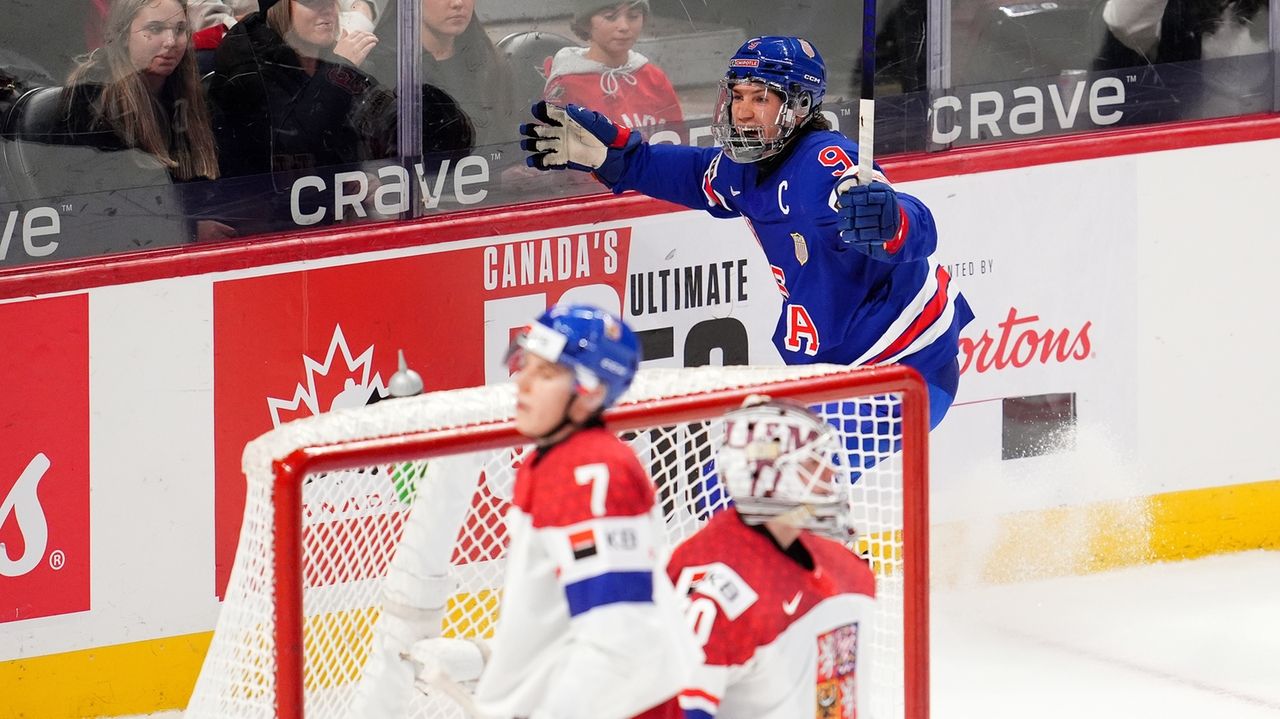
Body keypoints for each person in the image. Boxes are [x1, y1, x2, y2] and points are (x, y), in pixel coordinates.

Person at [521, 36, 973, 432]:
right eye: (738, 96)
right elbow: (694, 173)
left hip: (903, 370)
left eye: (761, 99)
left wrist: (889, 222)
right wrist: (618, 158)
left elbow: (917, 226)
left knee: (784, 486)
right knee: (737, 488)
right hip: (838, 375)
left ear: (798, 107)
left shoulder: (824, 162)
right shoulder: (746, 167)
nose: (743, 111)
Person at [470, 303, 699, 719]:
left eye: (546, 374)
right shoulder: (559, 459)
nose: (523, 384)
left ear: (589, 391)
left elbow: (619, 637)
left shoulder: (587, 471)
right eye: (526, 366)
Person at [667, 397, 877, 718]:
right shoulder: (711, 581)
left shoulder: (849, 572)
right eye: (813, 461)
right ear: (772, 475)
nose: (831, 471)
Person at [53, 0, 234, 242]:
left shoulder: (191, 93)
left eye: (180, 30)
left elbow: (210, 186)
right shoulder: (90, 99)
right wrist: (186, 231)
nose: (171, 42)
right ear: (123, 34)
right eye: (155, 29)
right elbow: (92, 209)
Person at [208, 0, 393, 179]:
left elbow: (386, 121)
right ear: (279, 6)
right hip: (257, 204)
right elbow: (290, 151)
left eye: (331, 0)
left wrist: (362, 180)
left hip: (330, 199)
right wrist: (339, 74)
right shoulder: (246, 67)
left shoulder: (332, 55)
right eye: (311, 2)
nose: (327, 8)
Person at [543, 1, 683, 132]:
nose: (624, 27)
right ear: (586, 23)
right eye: (610, 17)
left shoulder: (654, 78)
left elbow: (679, 140)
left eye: (633, 16)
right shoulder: (567, 86)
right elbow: (553, 150)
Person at [418, 0, 515, 152]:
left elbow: (507, 142)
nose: (458, 3)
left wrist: (505, 172)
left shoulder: (490, 64)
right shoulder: (386, 69)